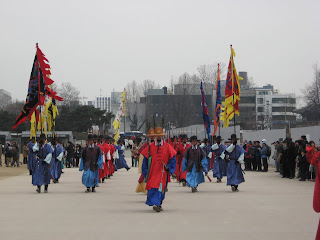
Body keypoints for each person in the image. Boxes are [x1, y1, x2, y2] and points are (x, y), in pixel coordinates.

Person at [141, 127, 176, 212]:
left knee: (161, 188)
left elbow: (173, 158)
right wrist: (145, 171)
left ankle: (159, 203)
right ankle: (157, 204)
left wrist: (170, 168)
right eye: (157, 136)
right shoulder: (150, 147)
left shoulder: (167, 146)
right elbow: (145, 160)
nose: (159, 137)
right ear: (155, 136)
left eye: (160, 136)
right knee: (153, 187)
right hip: (153, 172)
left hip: (163, 173)